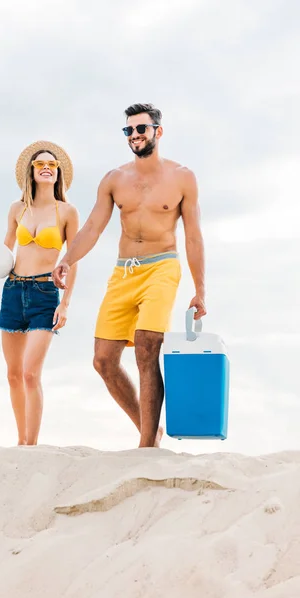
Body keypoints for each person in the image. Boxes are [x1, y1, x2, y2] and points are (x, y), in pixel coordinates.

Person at [52, 103, 206, 448]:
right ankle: (148, 429)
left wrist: (200, 290)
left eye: (141, 129)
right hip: (124, 272)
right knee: (104, 361)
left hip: (162, 266)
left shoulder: (182, 177)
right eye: (129, 130)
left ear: (157, 132)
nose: (135, 135)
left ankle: (147, 447)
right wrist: (67, 258)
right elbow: (93, 226)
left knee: (147, 347)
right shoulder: (114, 179)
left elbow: (194, 236)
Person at [0, 141, 79, 446]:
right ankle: (20, 442)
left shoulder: (68, 212)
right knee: (13, 375)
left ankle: (31, 447)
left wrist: (66, 304)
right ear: (31, 173)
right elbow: (5, 251)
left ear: (58, 173)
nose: (46, 168)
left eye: (51, 165)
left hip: (45, 293)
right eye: (40, 164)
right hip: (13, 290)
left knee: (31, 374)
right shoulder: (17, 208)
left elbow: (73, 262)